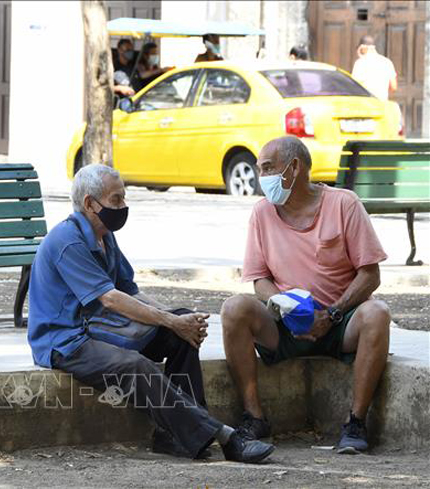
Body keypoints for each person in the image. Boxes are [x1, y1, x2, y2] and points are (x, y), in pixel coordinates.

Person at [27, 163, 275, 464]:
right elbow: (110, 299)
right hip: (64, 341)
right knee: (136, 364)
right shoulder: (67, 241)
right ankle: (224, 436)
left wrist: (177, 319)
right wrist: (170, 320)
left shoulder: (104, 235)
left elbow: (130, 291)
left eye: (123, 198)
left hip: (99, 328)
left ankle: (173, 435)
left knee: (181, 332)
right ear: (90, 204)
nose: (123, 206)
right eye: (116, 200)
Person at [220, 136, 391, 454]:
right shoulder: (262, 213)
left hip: (341, 323)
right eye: (260, 169)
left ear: (294, 168)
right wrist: (288, 310)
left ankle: (355, 422)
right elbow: (259, 281)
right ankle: (254, 417)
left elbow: (371, 275)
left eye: (269, 168)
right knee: (233, 309)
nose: (263, 177)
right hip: (286, 321)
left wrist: (333, 314)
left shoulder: (344, 204)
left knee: (378, 313)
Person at [351, 35, 397, 100]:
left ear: (363, 48)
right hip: (382, 104)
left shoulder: (359, 63)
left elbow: (354, 86)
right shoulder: (387, 62)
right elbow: (393, 87)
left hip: (366, 104)